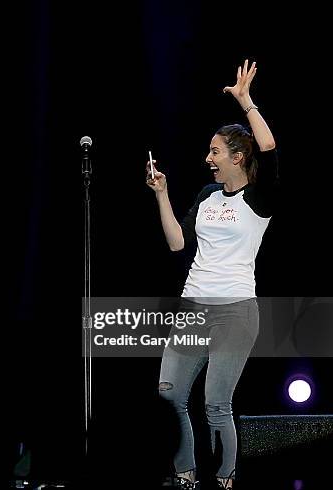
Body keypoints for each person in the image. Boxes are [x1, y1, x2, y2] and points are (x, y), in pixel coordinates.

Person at [147, 60, 278, 489]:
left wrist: (247, 103)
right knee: (169, 394)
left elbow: (270, 148)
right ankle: (184, 470)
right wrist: (163, 195)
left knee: (216, 405)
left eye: (215, 152)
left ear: (238, 157)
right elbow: (176, 244)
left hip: (235, 311)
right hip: (193, 307)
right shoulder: (206, 195)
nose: (208, 159)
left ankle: (224, 477)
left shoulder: (259, 198)